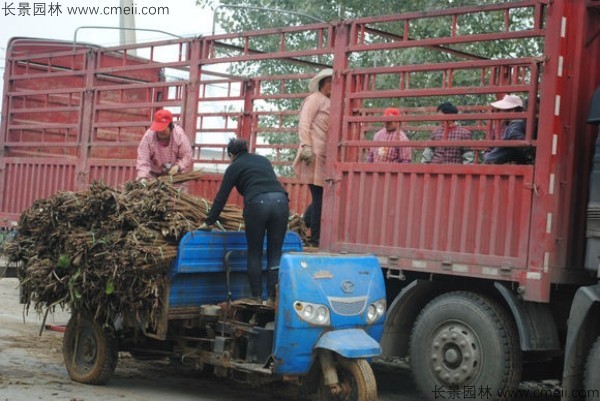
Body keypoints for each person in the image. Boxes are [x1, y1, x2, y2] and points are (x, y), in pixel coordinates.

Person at [200, 138, 289, 305]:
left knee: (254, 252)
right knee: (275, 253)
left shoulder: (234, 167)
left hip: (257, 204)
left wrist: (209, 221)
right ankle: (272, 298)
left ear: (231, 154)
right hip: (281, 202)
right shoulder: (263, 160)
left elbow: (221, 197)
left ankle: (256, 297)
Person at [292, 68, 333, 247]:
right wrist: (306, 145)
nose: (332, 85)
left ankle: (303, 224)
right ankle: (315, 238)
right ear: (322, 83)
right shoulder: (315, 99)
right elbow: (304, 123)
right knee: (319, 197)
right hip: (313, 153)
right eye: (329, 81)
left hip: (324, 155)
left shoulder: (330, 102)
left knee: (321, 196)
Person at [136, 109, 193, 181]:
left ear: (171, 126)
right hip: (154, 176)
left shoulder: (179, 135)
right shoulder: (149, 135)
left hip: (174, 177)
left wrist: (178, 166)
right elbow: (143, 158)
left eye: (162, 129)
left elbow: (187, 155)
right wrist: (143, 177)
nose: (159, 132)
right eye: (158, 128)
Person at [483, 94, 528, 164]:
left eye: (501, 110)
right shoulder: (498, 127)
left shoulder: (523, 125)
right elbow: (488, 149)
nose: (500, 113)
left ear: (512, 111)